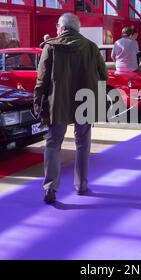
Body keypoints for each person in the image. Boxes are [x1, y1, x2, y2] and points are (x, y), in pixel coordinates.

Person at [34, 13, 108, 204]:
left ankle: (50, 187)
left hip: (57, 102)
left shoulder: (50, 47)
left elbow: (41, 80)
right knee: (83, 142)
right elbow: (104, 75)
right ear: (77, 29)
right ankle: (81, 185)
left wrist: (37, 103)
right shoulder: (91, 47)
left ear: (61, 27)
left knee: (53, 143)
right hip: (85, 101)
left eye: (57, 26)